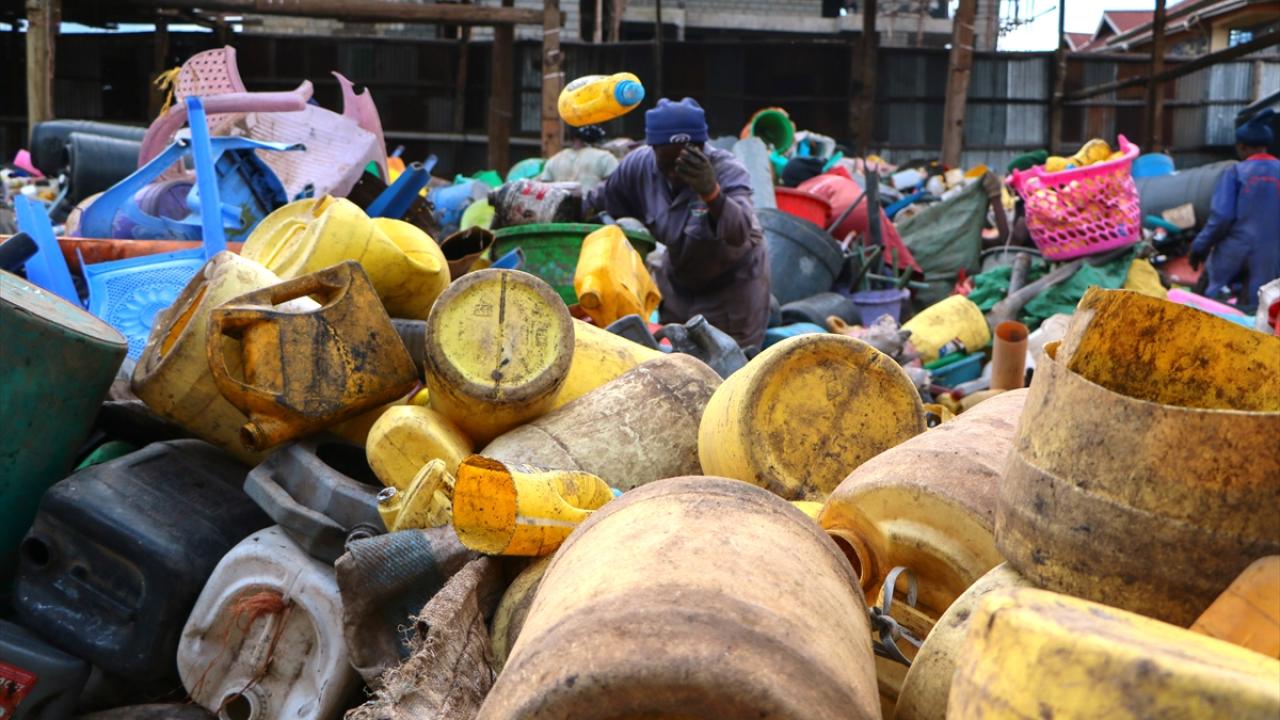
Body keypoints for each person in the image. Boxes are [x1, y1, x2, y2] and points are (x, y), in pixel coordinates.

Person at [586, 97, 770, 352]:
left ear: (701, 147)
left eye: (683, 161)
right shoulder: (638, 167)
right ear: (653, 149)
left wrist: (712, 193)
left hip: (732, 292)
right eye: (667, 163)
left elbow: (740, 231)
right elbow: (597, 203)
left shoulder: (727, 169)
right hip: (679, 286)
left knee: (730, 365)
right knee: (675, 363)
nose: (675, 172)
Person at [1189, 109, 1280, 309]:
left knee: (1208, 304)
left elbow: (1221, 217)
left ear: (1242, 146)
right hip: (1271, 256)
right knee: (1259, 310)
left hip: (1234, 252)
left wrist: (1199, 247)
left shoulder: (1236, 172)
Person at [540, 125, 619, 192]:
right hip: (592, 204)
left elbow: (544, 186)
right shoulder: (605, 157)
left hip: (561, 204)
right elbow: (615, 185)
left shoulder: (554, 160)